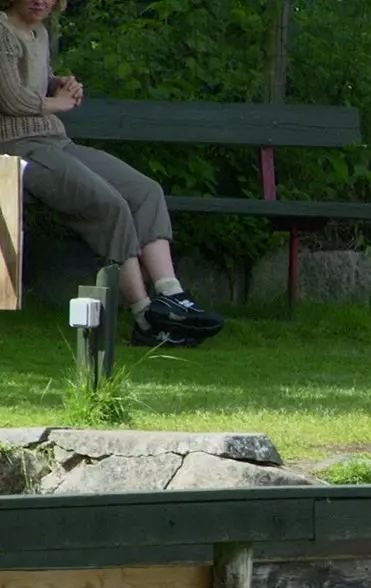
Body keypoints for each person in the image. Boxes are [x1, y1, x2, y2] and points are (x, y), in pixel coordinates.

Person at [0, 0, 225, 348]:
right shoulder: (1, 30)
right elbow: (11, 99)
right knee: (109, 203)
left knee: (145, 191)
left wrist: (59, 84)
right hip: (16, 148)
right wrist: (57, 103)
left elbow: (34, 85)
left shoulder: (38, 32)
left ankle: (172, 297)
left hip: (56, 141)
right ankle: (145, 317)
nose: (40, 0)